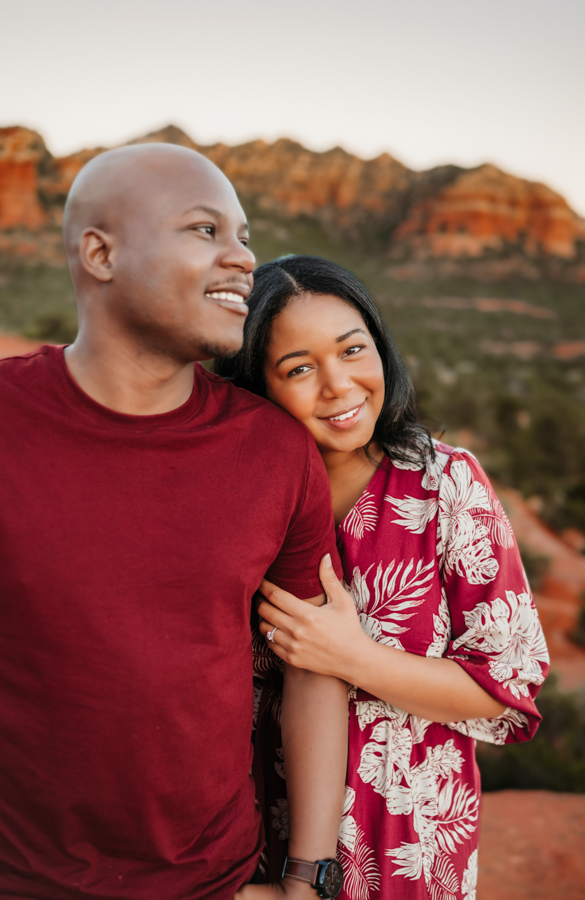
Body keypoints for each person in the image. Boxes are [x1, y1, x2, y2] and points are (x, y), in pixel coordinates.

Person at [0, 148, 349, 900]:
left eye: (243, 234)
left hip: (208, 881)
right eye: (204, 228)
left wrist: (306, 879)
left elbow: (311, 661)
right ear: (100, 253)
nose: (243, 257)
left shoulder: (276, 451)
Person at [216, 255, 550, 900]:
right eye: (300, 368)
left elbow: (505, 689)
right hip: (261, 849)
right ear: (257, 384)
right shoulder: (238, 505)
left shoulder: (445, 485)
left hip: (410, 855)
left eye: (352, 350)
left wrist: (351, 657)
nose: (339, 385)